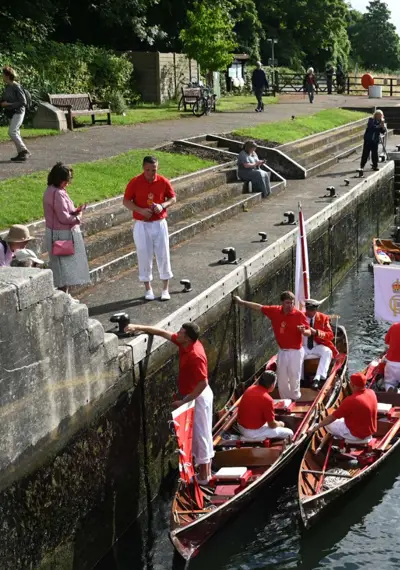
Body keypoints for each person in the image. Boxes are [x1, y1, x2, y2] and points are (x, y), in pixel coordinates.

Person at [126, 321, 213, 484]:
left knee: (200, 435)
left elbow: (203, 383)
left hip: (198, 397)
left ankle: (204, 476)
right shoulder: (184, 342)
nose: (177, 333)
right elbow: (162, 332)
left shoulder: (196, 355)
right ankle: (204, 470)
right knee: (199, 434)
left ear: (187, 338)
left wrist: (184, 402)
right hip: (193, 395)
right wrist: (138, 327)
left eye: (180, 332)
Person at [234, 291, 309, 400]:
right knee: (282, 378)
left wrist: (304, 332)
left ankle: (296, 398)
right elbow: (258, 307)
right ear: (282, 303)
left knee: (294, 377)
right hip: (283, 351)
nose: (290, 306)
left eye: (292, 303)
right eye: (287, 303)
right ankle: (285, 400)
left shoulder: (299, 315)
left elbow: (309, 332)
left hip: (296, 352)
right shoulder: (274, 311)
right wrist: (241, 302)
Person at [123, 156, 176, 301]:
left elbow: (173, 198)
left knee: (163, 253)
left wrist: (162, 205)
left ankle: (165, 288)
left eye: (154, 170)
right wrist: (140, 210)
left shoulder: (163, 181)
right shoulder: (135, 182)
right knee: (144, 255)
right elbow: (126, 201)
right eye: (148, 170)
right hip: (142, 224)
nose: (151, 174)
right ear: (143, 168)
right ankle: (148, 288)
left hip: (159, 222)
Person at [43, 162, 90, 292]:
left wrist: (75, 210)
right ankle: (64, 297)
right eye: (66, 180)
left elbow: (64, 211)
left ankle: (66, 296)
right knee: (63, 269)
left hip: (60, 234)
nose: (68, 183)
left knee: (65, 268)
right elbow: (63, 218)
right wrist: (78, 216)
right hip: (59, 236)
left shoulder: (56, 190)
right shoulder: (56, 193)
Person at [310, 372, 377, 444]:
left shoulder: (350, 400)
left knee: (328, 424)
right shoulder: (372, 392)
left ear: (353, 385)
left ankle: (340, 438)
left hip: (356, 435)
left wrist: (317, 427)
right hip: (369, 432)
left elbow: (332, 418)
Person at [237, 370, 294, 441]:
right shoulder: (268, 399)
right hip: (252, 432)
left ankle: (253, 437)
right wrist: (280, 424)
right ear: (272, 385)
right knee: (290, 433)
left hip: (240, 427)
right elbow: (272, 425)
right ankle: (252, 439)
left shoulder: (250, 388)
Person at [302, 298, 338, 389]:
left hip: (317, 345)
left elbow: (330, 335)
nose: (309, 312)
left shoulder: (323, 318)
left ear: (316, 310)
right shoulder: (300, 317)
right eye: (308, 309)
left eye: (311, 310)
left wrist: (317, 333)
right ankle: (300, 379)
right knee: (295, 353)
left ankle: (317, 379)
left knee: (327, 352)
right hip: (303, 346)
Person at [2, 66, 29, 162]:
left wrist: (8, 104)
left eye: (3, 75)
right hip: (12, 112)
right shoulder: (8, 87)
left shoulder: (16, 86)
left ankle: (24, 150)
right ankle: (21, 154)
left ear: (8, 76)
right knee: (16, 132)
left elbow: (23, 102)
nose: (2, 77)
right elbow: (7, 99)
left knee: (12, 132)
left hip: (19, 112)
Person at [357, 110, 386, 177]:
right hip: (368, 140)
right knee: (365, 153)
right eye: (378, 115)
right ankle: (362, 166)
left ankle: (375, 165)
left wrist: (383, 126)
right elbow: (372, 127)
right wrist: (380, 125)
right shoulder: (371, 120)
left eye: (381, 115)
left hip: (375, 141)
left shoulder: (381, 122)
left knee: (375, 154)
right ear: (375, 115)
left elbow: (383, 131)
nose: (379, 117)